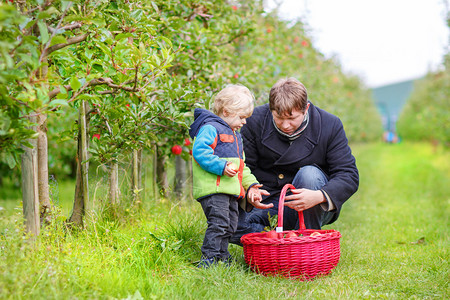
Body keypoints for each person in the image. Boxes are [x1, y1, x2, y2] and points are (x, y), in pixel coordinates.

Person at [230, 77, 359, 245]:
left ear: (306, 109)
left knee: (309, 175)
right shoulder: (255, 121)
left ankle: (305, 240)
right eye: (278, 117)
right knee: (231, 228)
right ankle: (281, 240)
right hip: (268, 203)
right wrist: (250, 192)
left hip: (312, 202)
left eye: (292, 118)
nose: (285, 125)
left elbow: (348, 174)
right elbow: (244, 166)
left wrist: (319, 195)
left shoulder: (329, 125)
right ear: (271, 110)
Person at [188, 84, 270, 267]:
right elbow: (200, 152)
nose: (245, 122)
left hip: (230, 190)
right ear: (226, 111)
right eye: (241, 117)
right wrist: (221, 166)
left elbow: (242, 166)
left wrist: (252, 185)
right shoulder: (210, 128)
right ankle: (209, 258)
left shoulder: (236, 136)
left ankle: (222, 256)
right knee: (219, 223)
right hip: (214, 189)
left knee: (231, 225)